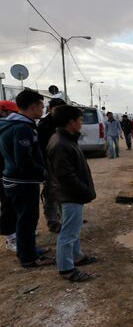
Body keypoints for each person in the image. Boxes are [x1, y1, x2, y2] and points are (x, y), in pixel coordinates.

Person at [0, 89, 54, 267]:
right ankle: (29, 258)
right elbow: (23, 159)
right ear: (32, 106)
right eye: (41, 106)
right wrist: (42, 172)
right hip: (22, 181)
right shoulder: (22, 128)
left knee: (26, 219)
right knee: (26, 219)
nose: (43, 109)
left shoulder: (14, 124)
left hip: (15, 179)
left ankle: (29, 249)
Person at [47, 105, 97, 282]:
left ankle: (77, 256)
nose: (82, 123)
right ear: (71, 122)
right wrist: (85, 191)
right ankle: (67, 268)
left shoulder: (65, 139)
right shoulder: (61, 143)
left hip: (70, 194)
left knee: (74, 230)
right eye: (80, 120)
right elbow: (66, 176)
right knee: (68, 233)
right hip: (70, 195)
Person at [37, 97, 67, 233]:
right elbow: (40, 148)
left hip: (62, 163)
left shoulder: (63, 122)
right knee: (50, 193)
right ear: (50, 109)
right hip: (49, 164)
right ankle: (53, 222)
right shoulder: (44, 124)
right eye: (56, 109)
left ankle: (66, 217)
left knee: (64, 191)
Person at [0, 100, 19, 252]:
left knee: (12, 204)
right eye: (14, 112)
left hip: (7, 170)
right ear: (4, 111)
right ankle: (10, 238)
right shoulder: (4, 127)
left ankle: (15, 231)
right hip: (3, 172)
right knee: (8, 205)